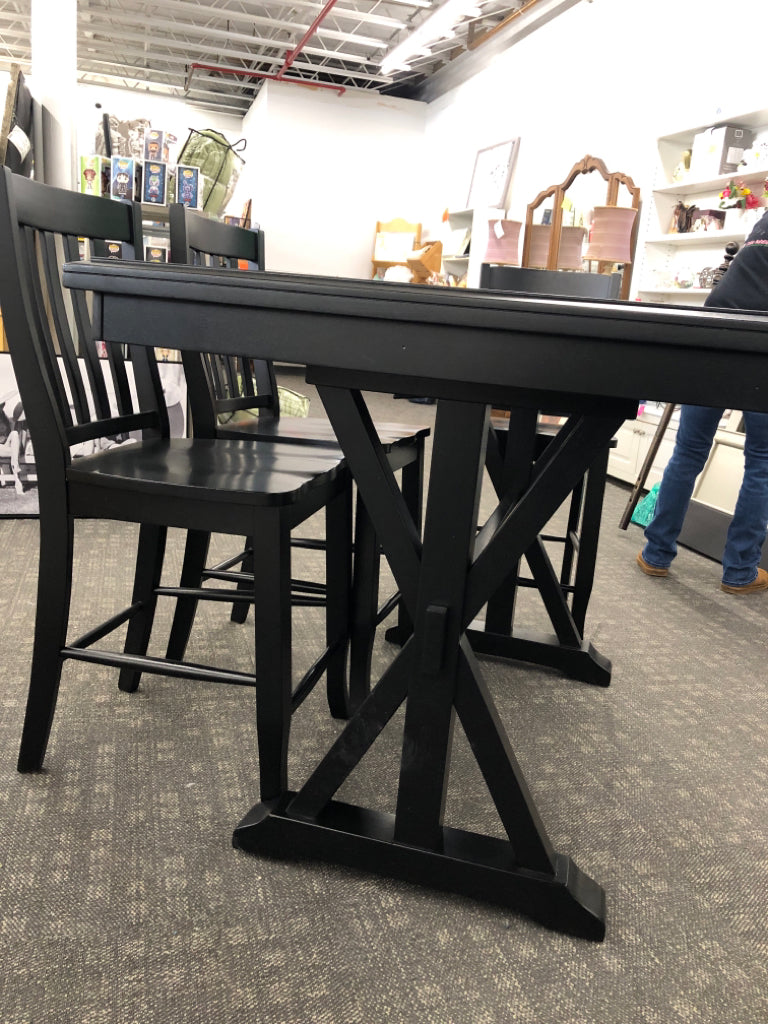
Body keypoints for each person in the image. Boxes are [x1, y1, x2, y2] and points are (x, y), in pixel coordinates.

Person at [637, 208, 768, 594]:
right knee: (762, 462)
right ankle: (740, 572)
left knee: (689, 451)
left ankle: (656, 554)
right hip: (761, 341)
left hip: (715, 331)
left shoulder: (762, 221)